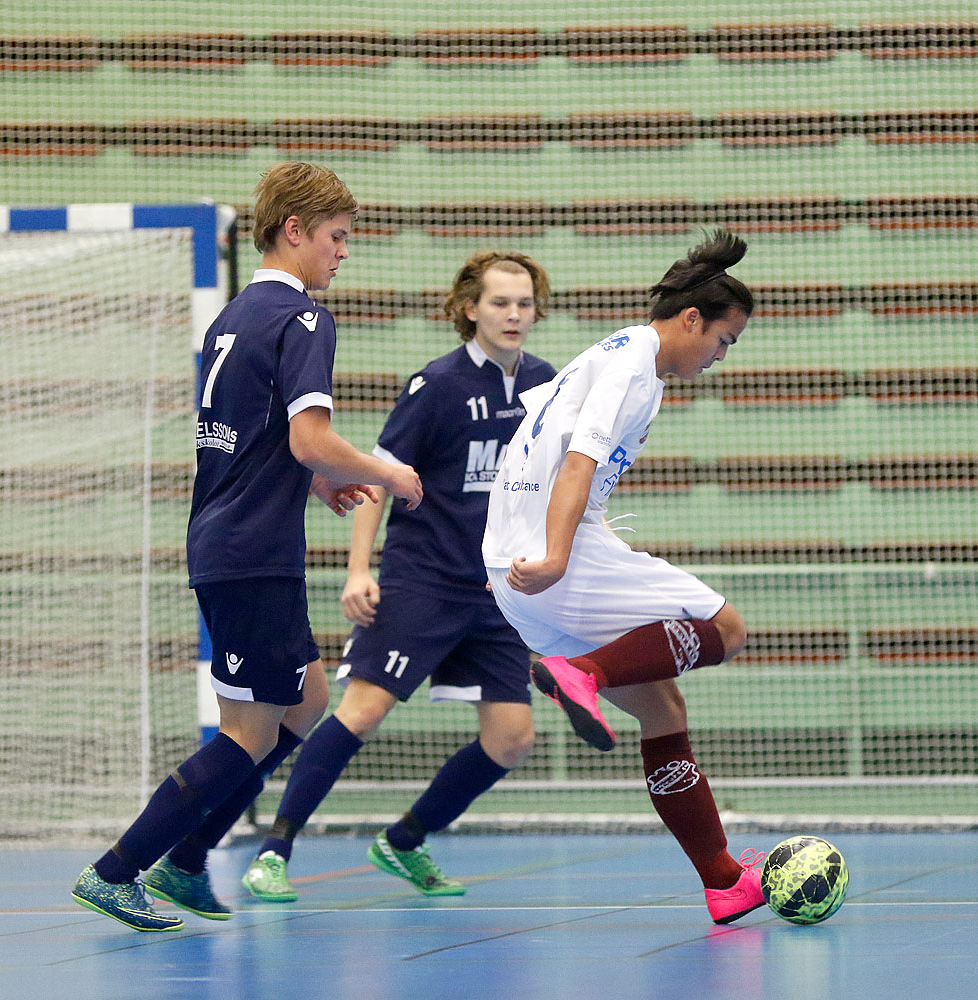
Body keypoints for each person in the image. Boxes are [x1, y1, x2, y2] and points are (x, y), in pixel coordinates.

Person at [70, 161, 422, 932]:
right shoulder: (302, 319)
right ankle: (118, 869)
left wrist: (320, 480)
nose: (343, 252)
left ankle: (189, 862)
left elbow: (272, 445)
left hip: (232, 539)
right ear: (294, 231)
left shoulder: (231, 317)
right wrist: (384, 471)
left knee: (310, 701)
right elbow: (310, 433)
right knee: (250, 732)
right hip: (253, 553)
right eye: (336, 237)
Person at [241, 250, 556, 901]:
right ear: (471, 308)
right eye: (501, 302)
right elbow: (372, 481)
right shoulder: (436, 385)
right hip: (422, 581)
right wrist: (359, 571)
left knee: (512, 739)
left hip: (496, 593)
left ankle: (404, 842)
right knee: (361, 712)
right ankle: (274, 850)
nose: (514, 315)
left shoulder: (546, 386)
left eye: (524, 303)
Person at [482, 229, 763, 925]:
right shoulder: (636, 368)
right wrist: (551, 554)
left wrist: (531, 547)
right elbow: (577, 460)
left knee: (665, 712)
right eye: (723, 342)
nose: (720, 358)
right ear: (691, 319)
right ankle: (584, 675)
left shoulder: (611, 351)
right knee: (727, 628)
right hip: (550, 559)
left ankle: (725, 881)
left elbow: (540, 439)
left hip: (513, 562)